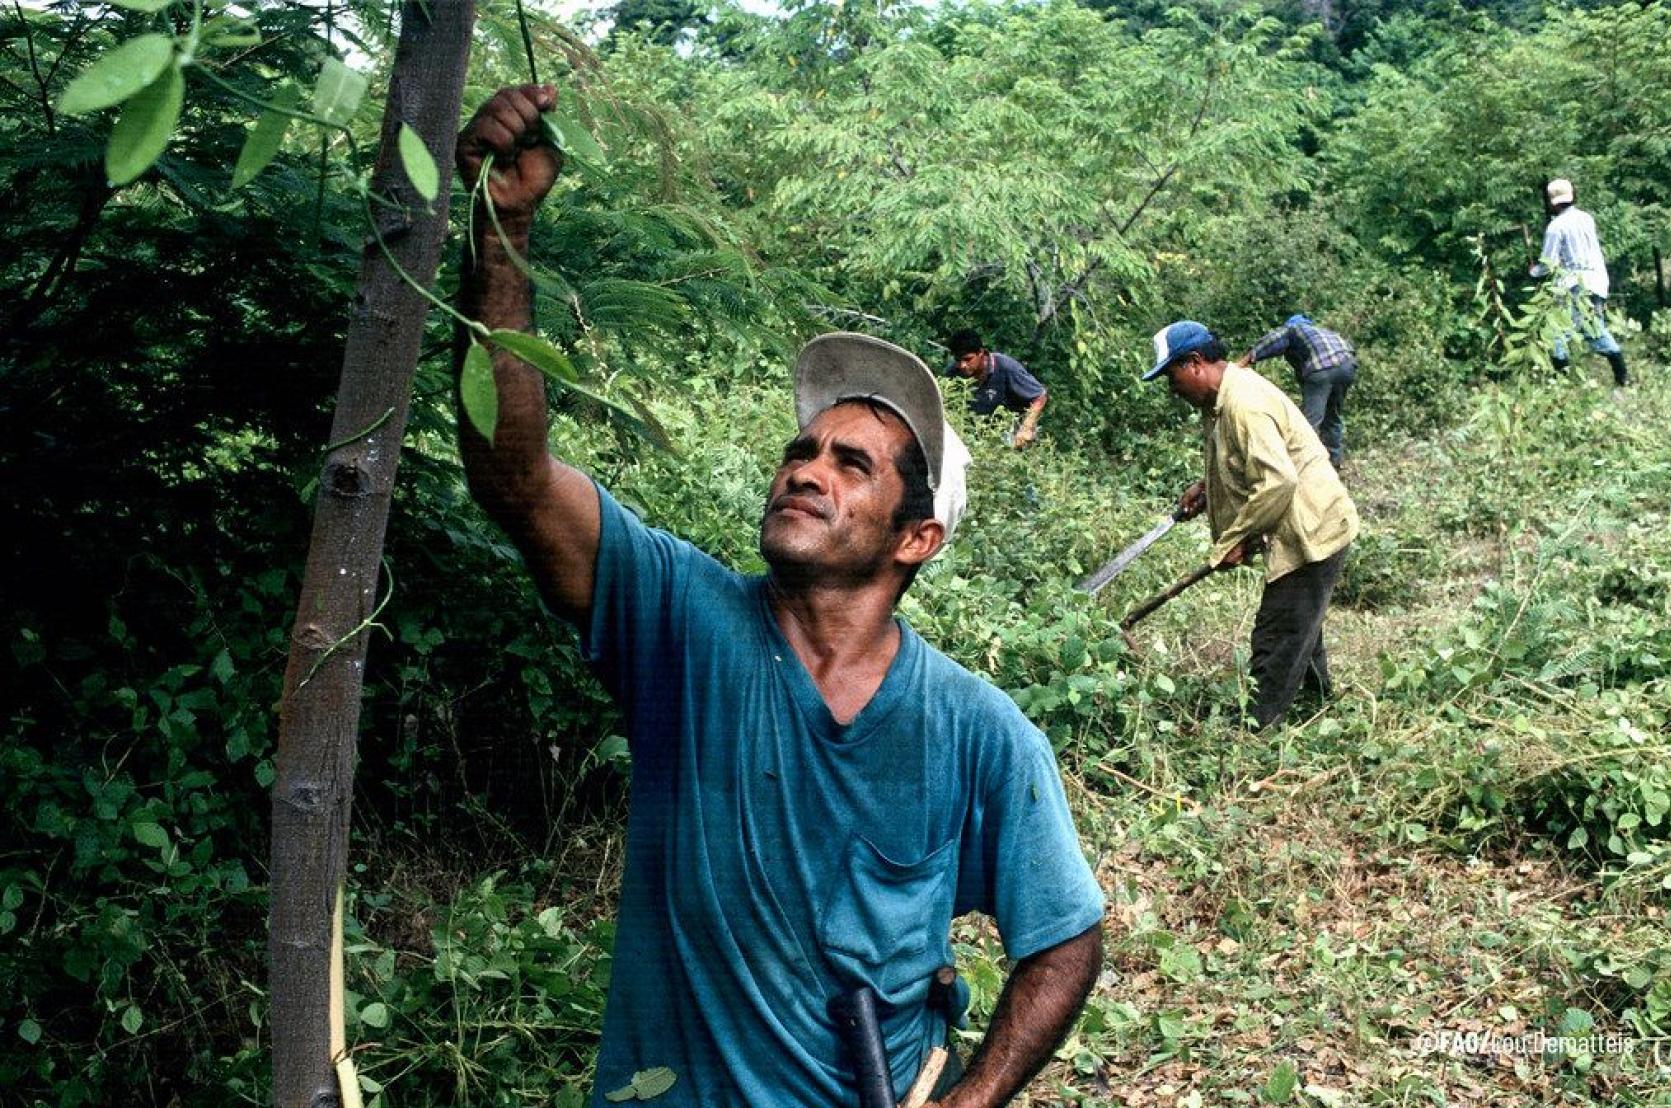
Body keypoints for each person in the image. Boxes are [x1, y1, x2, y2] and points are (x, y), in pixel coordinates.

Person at [455, 85, 1104, 1108]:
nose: (806, 469)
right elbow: (515, 480)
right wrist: (503, 234)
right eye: (802, 448)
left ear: (915, 538)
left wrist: (970, 1101)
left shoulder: (975, 730)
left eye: (852, 464)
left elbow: (1064, 936)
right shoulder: (682, 624)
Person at [1143, 321, 1360, 732]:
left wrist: (1235, 539)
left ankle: (1257, 733)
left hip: (1312, 527)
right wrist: (1207, 487)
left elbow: (1278, 480)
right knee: (1301, 627)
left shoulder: (1244, 404)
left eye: (1171, 377)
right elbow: (1244, 462)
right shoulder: (1223, 400)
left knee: (1276, 637)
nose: (1171, 389)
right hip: (1307, 521)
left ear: (1194, 363)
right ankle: (1321, 710)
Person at [1529, 177, 1628, 387]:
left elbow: (1548, 264)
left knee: (1558, 333)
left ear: (1551, 202)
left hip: (1574, 285)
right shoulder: (1586, 218)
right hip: (1598, 281)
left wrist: (1533, 271)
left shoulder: (1555, 227)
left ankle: (1562, 386)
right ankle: (1623, 379)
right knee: (1595, 330)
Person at [1236, 314, 1357, 469]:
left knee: (1309, 423)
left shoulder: (1293, 329)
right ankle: (1334, 461)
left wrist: (1243, 362)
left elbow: (1272, 340)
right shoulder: (1323, 332)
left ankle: (1304, 466)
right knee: (1332, 415)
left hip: (1321, 369)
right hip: (1347, 366)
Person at [944, 329, 1047, 447]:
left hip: (1010, 435)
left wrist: (1027, 427)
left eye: (968, 359)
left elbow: (1040, 395)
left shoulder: (1006, 367)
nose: (963, 365)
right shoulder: (953, 373)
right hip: (975, 439)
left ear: (981, 353)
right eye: (958, 360)